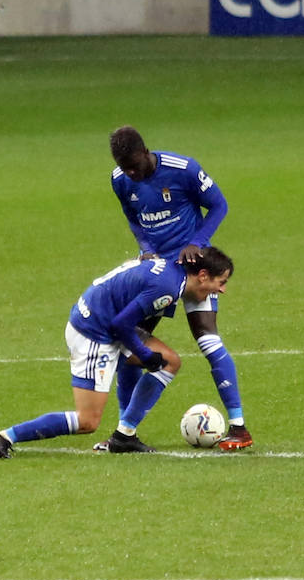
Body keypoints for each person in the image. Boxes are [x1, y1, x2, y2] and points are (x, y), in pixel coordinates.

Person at [0, 248, 235, 458]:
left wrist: (145, 356)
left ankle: (124, 436)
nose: (222, 290)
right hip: (93, 332)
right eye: (221, 282)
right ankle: (4, 437)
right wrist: (145, 357)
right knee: (87, 421)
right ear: (202, 275)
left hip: (105, 321)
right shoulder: (167, 288)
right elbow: (121, 325)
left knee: (170, 362)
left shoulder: (171, 274)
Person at [105, 126, 252, 451]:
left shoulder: (183, 169)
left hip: (194, 270)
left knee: (208, 339)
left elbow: (219, 205)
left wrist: (196, 243)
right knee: (129, 347)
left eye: (135, 165)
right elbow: (132, 217)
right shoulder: (120, 179)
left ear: (146, 152)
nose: (132, 173)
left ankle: (239, 427)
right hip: (157, 274)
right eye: (125, 168)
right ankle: (123, 434)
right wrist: (145, 246)